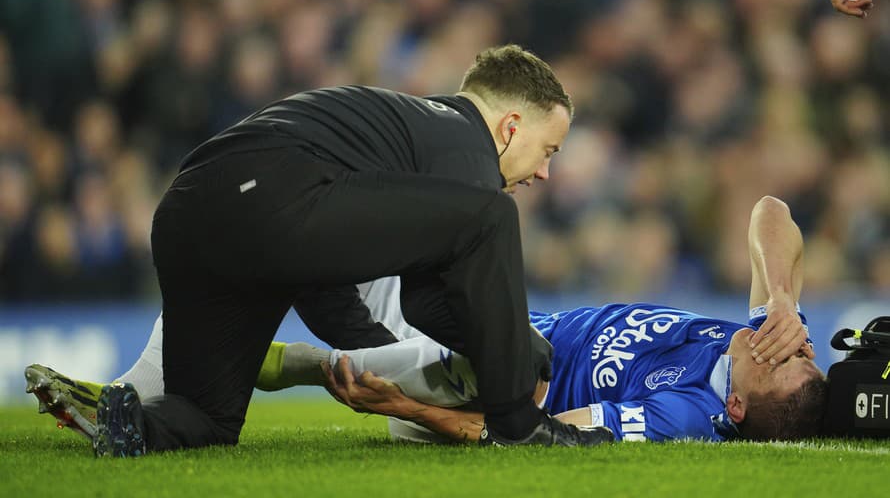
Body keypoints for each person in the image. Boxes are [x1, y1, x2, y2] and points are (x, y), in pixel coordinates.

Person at [85, 44, 619, 456]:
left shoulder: (403, 133)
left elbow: (344, 280)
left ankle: (130, 422)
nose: (546, 171)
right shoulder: (465, 142)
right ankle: (519, 430)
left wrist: (383, 355)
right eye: (548, 150)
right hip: (266, 193)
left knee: (207, 418)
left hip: (187, 212)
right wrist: (517, 355)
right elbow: (442, 290)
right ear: (509, 128)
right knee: (495, 216)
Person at [27, 196, 826, 443]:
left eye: (784, 357)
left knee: (285, 244)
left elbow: (541, 436)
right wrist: (784, 296)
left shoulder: (687, 413)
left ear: (738, 407)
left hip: (468, 375)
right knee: (277, 252)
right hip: (467, 331)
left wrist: (408, 410)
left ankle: (130, 405)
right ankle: (139, 396)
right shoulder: (748, 333)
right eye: (800, 345)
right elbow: (770, 213)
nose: (784, 342)